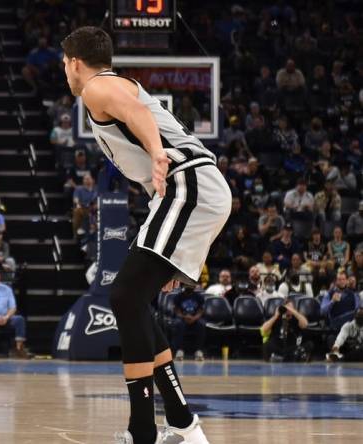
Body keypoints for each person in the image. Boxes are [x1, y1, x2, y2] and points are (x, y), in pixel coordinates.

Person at [61, 27, 230, 443]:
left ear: (75, 62)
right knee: (133, 299)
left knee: (124, 297)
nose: (65, 70)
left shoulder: (97, 88)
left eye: (64, 63)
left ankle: (144, 431)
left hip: (186, 183)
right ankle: (182, 423)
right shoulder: (109, 88)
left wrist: (157, 152)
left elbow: (137, 116)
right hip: (186, 191)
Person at [170, 288, 206, 361]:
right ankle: (179, 350)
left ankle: (198, 351)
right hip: (182, 318)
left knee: (201, 324)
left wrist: (194, 318)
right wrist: (184, 317)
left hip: (195, 318)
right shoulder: (178, 296)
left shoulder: (199, 296)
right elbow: (176, 310)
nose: (189, 285)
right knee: (178, 324)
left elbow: (201, 310)